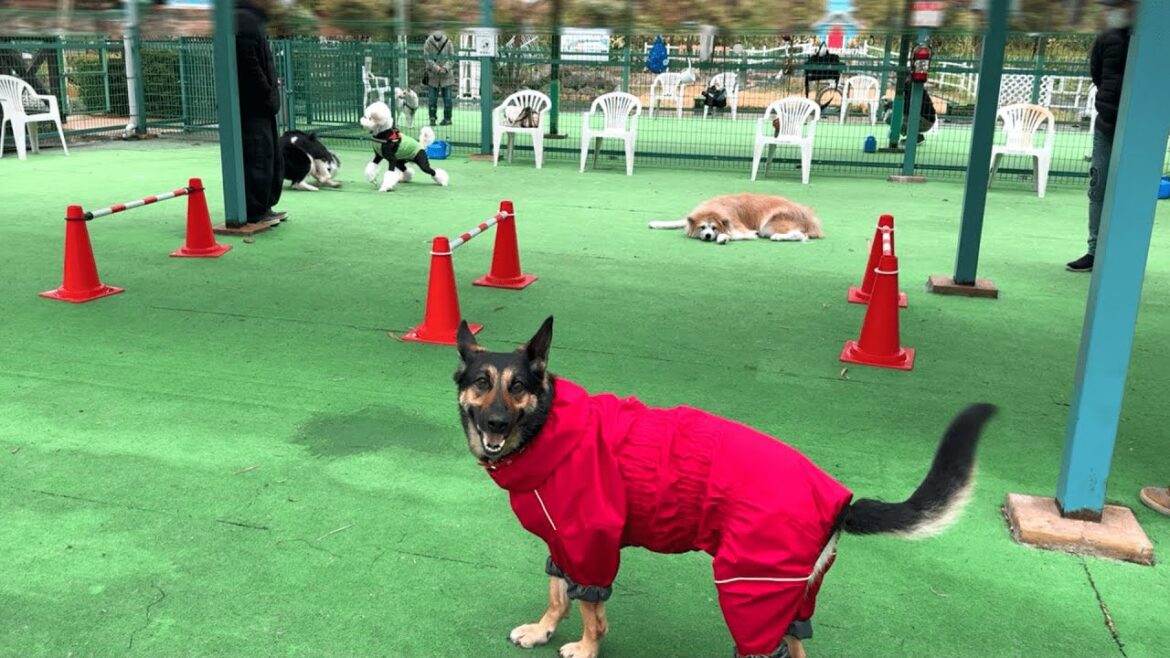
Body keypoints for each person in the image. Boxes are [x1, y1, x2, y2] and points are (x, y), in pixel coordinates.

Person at [1067, 0, 1133, 273]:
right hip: (1106, 124)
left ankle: (1125, 251)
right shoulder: (1107, 38)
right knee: (1098, 188)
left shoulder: (1155, 37)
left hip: (1137, 130)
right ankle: (1095, 251)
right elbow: (1097, 74)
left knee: (1130, 190)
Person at [235, 0, 286, 225]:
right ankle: (255, 210)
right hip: (255, 104)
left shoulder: (252, 18)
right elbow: (248, 62)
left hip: (262, 104)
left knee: (268, 155)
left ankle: (263, 206)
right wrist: (265, 90)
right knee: (258, 156)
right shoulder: (243, 18)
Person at [423, 29, 456, 126]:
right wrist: (437, 68)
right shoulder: (428, 43)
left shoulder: (448, 42)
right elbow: (427, 58)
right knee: (432, 99)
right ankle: (432, 118)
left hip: (447, 75)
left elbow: (452, 58)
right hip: (433, 75)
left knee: (448, 99)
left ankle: (447, 118)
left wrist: (445, 68)